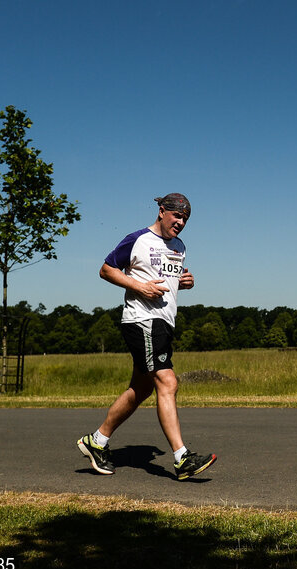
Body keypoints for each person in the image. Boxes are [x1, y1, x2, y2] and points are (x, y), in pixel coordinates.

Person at [77, 193, 217, 481]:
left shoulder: (179, 246)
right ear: (162, 211)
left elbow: (168, 280)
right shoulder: (137, 239)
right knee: (168, 381)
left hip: (164, 323)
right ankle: (181, 458)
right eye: (177, 216)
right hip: (142, 320)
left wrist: (184, 282)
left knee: (140, 389)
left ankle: (96, 441)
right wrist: (138, 286)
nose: (180, 223)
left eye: (185, 219)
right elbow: (106, 269)